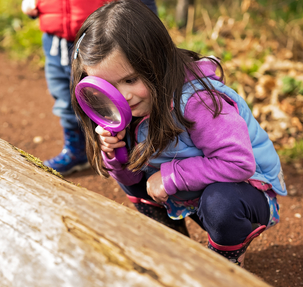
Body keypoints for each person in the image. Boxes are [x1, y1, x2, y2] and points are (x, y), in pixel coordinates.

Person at [70, 0, 286, 266]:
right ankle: (173, 247)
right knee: (131, 173)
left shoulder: (198, 101)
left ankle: (227, 258)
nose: (123, 96)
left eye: (130, 80)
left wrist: (170, 177)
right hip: (190, 193)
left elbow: (238, 163)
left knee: (220, 204)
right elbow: (132, 176)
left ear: (157, 61)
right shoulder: (129, 109)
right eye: (107, 87)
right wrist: (115, 154)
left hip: (246, 192)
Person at [22, 0, 157, 175]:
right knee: (64, 98)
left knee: (113, 98)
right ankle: (77, 149)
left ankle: (134, 150)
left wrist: (146, 26)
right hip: (54, 41)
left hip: (100, 42)